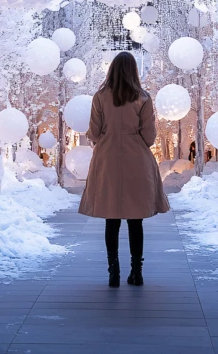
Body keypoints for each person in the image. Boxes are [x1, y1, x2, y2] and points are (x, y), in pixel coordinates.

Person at [79, 52, 170, 287]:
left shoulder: (99, 97)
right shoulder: (143, 98)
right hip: (136, 159)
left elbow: (95, 132)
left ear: (112, 70)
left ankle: (113, 271)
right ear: (134, 71)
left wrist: (102, 137)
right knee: (135, 219)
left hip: (107, 158)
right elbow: (149, 136)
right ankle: (137, 272)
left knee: (111, 219)